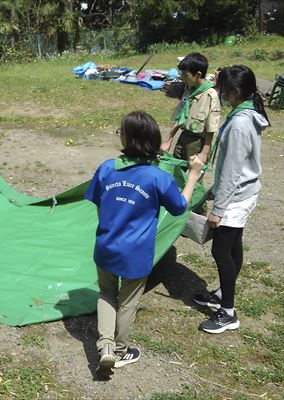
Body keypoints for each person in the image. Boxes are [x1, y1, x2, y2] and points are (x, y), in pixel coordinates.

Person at [85, 111, 204, 378]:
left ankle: (104, 346)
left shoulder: (107, 168)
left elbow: (98, 206)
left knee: (106, 293)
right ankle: (119, 349)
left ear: (127, 139)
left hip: (106, 245)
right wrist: (193, 175)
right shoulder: (157, 178)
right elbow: (179, 207)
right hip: (136, 253)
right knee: (128, 301)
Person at [193, 65, 269, 334]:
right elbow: (234, 164)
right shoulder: (246, 113)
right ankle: (223, 293)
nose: (220, 95)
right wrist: (215, 188)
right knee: (234, 244)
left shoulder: (239, 123)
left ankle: (228, 312)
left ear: (235, 92)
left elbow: (235, 169)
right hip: (243, 192)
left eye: (223, 91)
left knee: (220, 251)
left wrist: (218, 208)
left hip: (236, 197)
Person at [161, 52, 220, 164]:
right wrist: (168, 141)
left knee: (193, 177)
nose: (183, 78)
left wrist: (204, 153)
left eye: (186, 75)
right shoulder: (188, 91)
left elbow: (211, 128)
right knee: (176, 173)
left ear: (197, 75)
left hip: (198, 143)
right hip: (183, 138)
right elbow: (180, 116)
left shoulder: (210, 95)